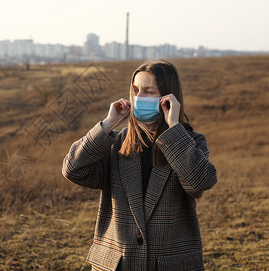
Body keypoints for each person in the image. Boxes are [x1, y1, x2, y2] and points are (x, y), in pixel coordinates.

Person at [62, 60, 217, 270]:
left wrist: (174, 128)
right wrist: (107, 125)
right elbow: (73, 169)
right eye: (135, 90)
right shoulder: (115, 144)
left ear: (168, 97)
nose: (139, 98)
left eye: (148, 91)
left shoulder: (190, 141)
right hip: (119, 264)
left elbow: (198, 183)